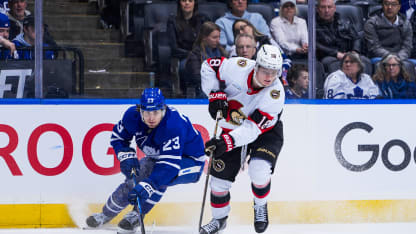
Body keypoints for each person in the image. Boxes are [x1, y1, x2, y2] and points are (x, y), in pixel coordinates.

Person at [85, 88, 206, 232]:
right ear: (140, 110)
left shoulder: (173, 126)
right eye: (147, 112)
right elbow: (119, 138)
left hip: (190, 162)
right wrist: (125, 155)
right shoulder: (132, 116)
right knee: (133, 181)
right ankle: (105, 215)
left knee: (160, 179)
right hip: (158, 159)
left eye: (156, 112)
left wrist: (150, 184)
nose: (151, 118)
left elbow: (169, 167)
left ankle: (136, 215)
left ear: (163, 109)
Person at [199, 44, 285, 234]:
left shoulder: (275, 94)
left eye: (274, 71)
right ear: (256, 66)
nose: (269, 77)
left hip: (265, 133)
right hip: (233, 128)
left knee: (259, 170)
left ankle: (260, 205)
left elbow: (253, 129)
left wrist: (226, 142)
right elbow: (208, 66)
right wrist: (214, 94)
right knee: (218, 182)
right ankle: (219, 219)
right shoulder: (238, 66)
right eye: (265, 70)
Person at [229, 19, 292, 85]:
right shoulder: (235, 48)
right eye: (237, 31)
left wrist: (282, 76)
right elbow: (233, 69)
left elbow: (286, 60)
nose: (241, 32)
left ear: (251, 26)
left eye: (242, 28)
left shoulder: (268, 41)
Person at [316, 0, 372, 75]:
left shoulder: (344, 22)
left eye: (329, 7)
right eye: (323, 7)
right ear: (317, 9)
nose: (326, 10)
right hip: (329, 56)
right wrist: (336, 54)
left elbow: (356, 38)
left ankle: (363, 85)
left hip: (348, 53)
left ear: (334, 8)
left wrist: (355, 51)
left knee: (365, 61)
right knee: (334, 64)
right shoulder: (313, 25)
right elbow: (315, 44)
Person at [167, 0, 208, 94]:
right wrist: (191, 54)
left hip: (202, 55)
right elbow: (174, 47)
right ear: (179, 3)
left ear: (195, 3)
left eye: (190, 1)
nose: (187, 3)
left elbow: (208, 41)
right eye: (184, 0)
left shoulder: (203, 19)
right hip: (184, 57)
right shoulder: (172, 21)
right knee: (191, 66)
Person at [364, 0, 414, 70]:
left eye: (393, 4)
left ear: (399, 7)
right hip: (380, 57)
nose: (389, 7)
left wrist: (398, 58)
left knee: (413, 64)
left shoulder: (405, 23)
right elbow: (374, 48)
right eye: (386, 4)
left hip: (401, 57)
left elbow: (407, 47)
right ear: (382, 5)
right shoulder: (371, 23)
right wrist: (392, 58)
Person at [185, 21, 227, 98]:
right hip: (201, 91)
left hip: (221, 90)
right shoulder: (195, 55)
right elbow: (197, 78)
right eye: (214, 37)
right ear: (204, 37)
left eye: (219, 37)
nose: (218, 40)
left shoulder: (222, 52)